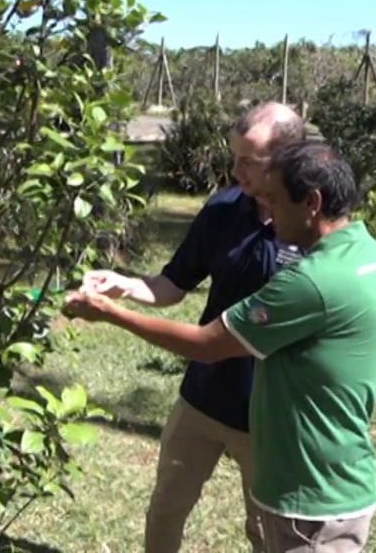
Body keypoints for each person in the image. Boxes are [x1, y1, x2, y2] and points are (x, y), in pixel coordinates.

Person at [65, 141, 376, 553]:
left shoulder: (312, 280)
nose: (269, 212)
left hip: (310, 502)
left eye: (276, 200)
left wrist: (109, 313)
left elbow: (206, 345)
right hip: (344, 483)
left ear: (312, 202)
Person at [78, 102, 306, 552]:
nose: (235, 171)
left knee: (268, 532)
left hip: (270, 415)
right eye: (234, 157)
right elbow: (174, 283)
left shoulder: (310, 228)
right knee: (165, 509)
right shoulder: (223, 210)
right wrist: (125, 285)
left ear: (287, 159)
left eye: (248, 161)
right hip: (203, 396)